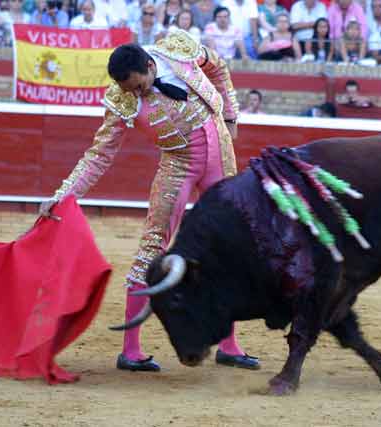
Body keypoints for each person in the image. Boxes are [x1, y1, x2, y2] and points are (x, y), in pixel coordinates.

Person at [39, 29, 260, 372]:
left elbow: (219, 67)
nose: (136, 93)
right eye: (130, 90)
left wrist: (230, 115)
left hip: (221, 157)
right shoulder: (121, 99)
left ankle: (229, 345)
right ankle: (131, 350)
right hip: (178, 166)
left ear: (149, 63)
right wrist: (63, 194)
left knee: (229, 248)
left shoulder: (179, 48)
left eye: (139, 85)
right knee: (152, 248)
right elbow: (99, 155)